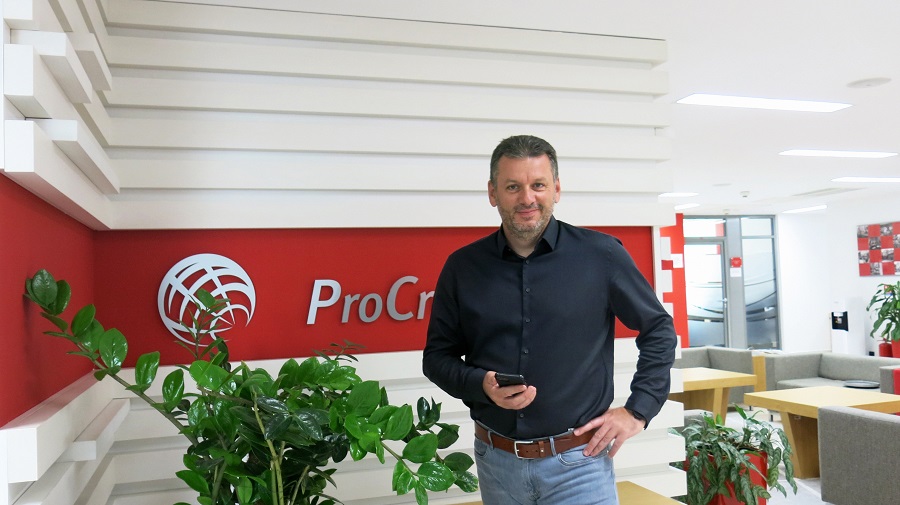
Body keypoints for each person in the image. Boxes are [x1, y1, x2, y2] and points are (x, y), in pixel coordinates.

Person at [422, 134, 677, 505]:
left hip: (580, 464)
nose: (527, 198)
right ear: (493, 193)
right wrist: (481, 385)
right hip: (496, 464)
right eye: (513, 187)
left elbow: (658, 329)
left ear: (556, 189)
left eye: (538, 185)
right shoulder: (463, 267)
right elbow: (436, 358)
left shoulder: (601, 255)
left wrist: (639, 410)